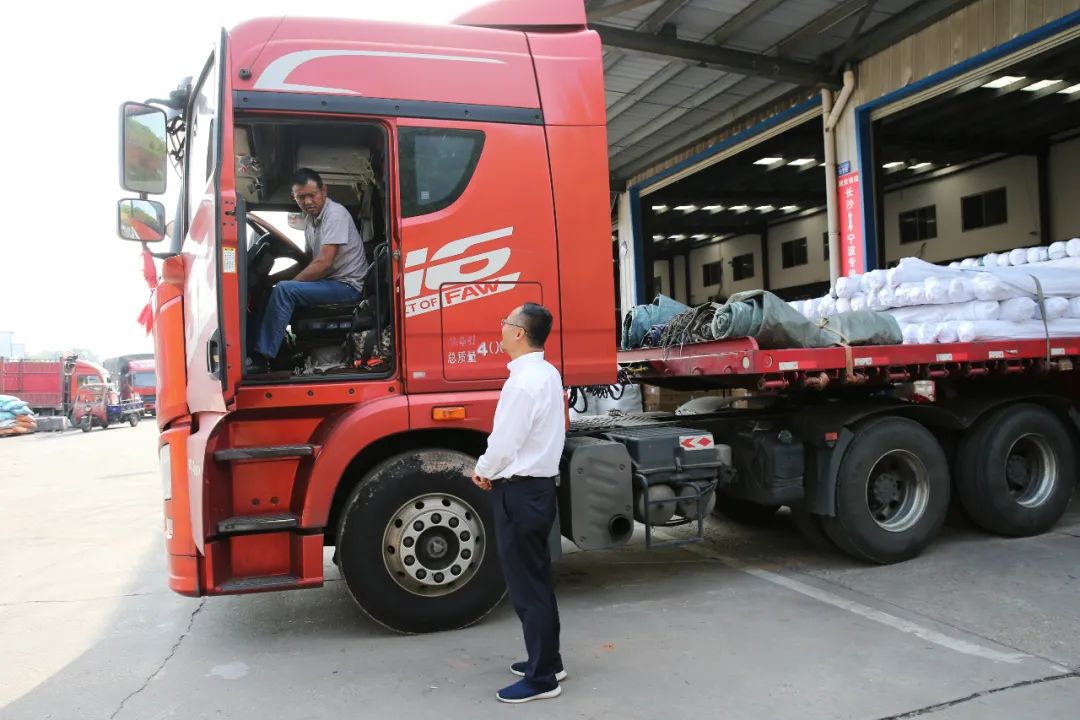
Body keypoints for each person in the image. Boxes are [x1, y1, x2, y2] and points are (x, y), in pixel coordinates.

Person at [472, 303, 567, 704]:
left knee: (527, 587)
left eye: (506, 322)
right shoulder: (547, 373)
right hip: (537, 489)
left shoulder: (523, 384)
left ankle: (542, 678)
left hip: (520, 492)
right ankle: (550, 662)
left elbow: (505, 441)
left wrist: (483, 470)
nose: (501, 327)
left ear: (519, 333)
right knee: (537, 578)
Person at [248, 168, 369, 372]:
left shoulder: (335, 215)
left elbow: (323, 263)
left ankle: (262, 359)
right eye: (301, 197)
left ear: (324, 191)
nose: (307, 201)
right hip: (330, 282)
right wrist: (271, 280)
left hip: (348, 286)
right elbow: (306, 263)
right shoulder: (310, 221)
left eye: (312, 195)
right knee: (271, 291)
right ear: (294, 197)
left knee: (285, 291)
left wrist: (289, 285)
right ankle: (258, 350)